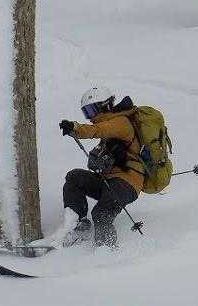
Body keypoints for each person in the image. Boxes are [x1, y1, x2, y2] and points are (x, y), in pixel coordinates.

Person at [59, 86, 143, 248]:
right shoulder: (111, 124)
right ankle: (78, 225)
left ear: (104, 105)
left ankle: (107, 249)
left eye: (91, 110)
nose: (90, 117)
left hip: (127, 183)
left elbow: (97, 130)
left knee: (101, 213)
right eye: (86, 112)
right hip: (108, 181)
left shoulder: (120, 122)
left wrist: (75, 128)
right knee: (74, 177)